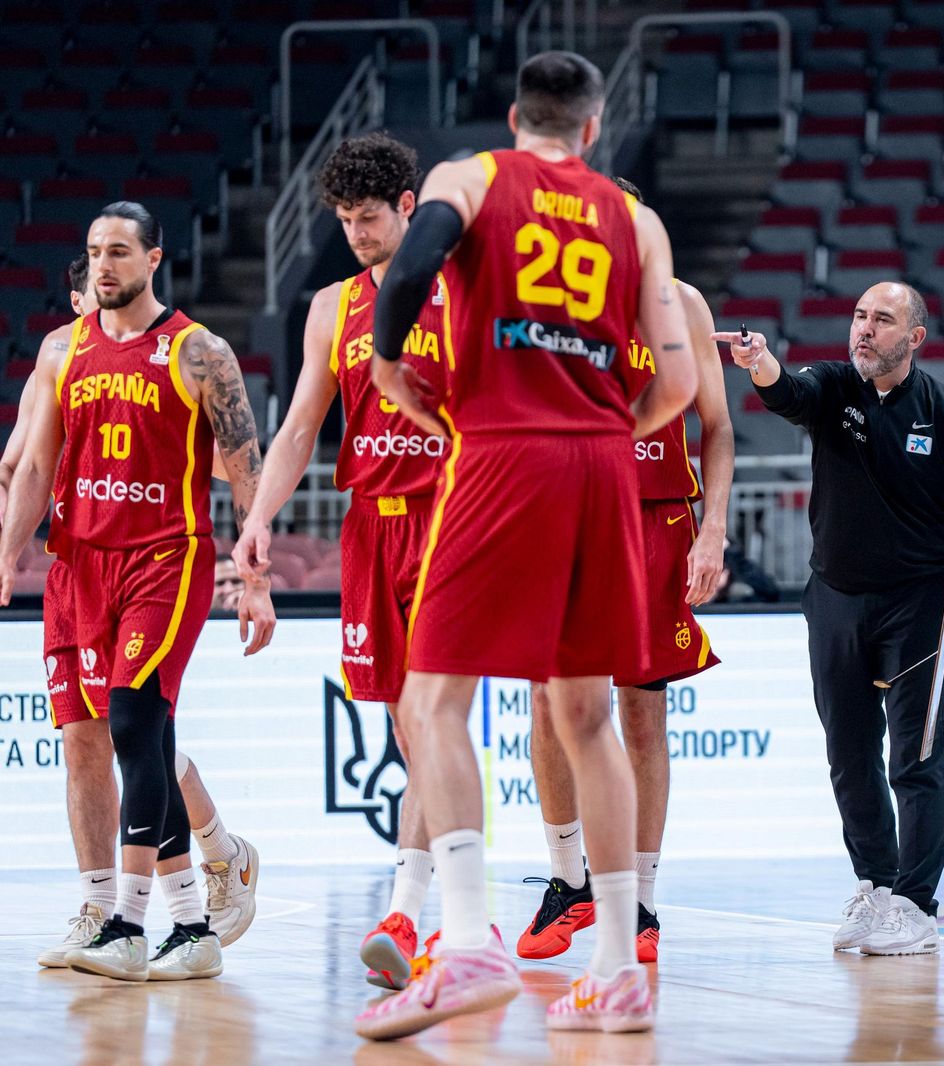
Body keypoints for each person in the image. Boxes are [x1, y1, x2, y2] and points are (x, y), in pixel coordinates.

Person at [351, 51, 696, 1040]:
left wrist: (384, 359)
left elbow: (413, 261)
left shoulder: (473, 176)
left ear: (516, 118)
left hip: (502, 451)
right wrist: (600, 425)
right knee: (587, 713)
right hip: (604, 464)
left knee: (434, 700)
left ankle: (463, 942)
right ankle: (619, 964)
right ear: (592, 130)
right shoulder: (637, 220)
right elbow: (672, 385)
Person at [0, 202, 276, 981]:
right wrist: (8, 552)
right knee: (108, 737)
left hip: (164, 556)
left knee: (132, 722)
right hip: (78, 564)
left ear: (155, 258)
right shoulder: (62, 349)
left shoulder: (201, 353)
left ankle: (129, 920)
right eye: (93, 251)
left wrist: (254, 581)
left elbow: (247, 474)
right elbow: (30, 467)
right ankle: (176, 921)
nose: (103, 265)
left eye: (119, 251)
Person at [718, 281, 944, 957]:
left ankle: (917, 904)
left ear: (914, 338)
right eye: (858, 317)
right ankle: (875, 887)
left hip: (918, 602)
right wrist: (760, 360)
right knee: (849, 755)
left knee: (917, 757)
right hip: (836, 597)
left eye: (882, 320)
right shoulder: (834, 387)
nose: (864, 329)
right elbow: (788, 392)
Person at [232, 131, 450, 992]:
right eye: (344, 221)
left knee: (434, 719)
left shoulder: (455, 288)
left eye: (368, 218)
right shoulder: (331, 306)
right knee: (406, 729)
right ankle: (436, 903)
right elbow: (296, 431)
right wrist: (258, 519)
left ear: (407, 208)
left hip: (447, 520)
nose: (356, 234)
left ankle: (411, 912)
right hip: (369, 528)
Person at [519, 178, 733, 968]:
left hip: (655, 520)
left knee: (642, 713)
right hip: (564, 517)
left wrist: (712, 530)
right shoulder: (547, 305)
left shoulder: (681, 302)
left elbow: (717, 426)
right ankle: (567, 878)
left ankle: (640, 901)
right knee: (547, 701)